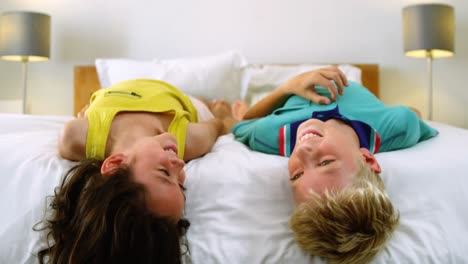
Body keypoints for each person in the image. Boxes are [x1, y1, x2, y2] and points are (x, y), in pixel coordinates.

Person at [231, 67, 438, 264]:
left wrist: (288, 87)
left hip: (292, 93)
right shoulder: (399, 128)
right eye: (325, 162)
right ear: (367, 159)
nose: (301, 151)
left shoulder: (269, 136)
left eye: (296, 175)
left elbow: (243, 124)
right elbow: (412, 116)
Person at [36, 79, 236, 264]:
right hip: (179, 99)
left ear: (114, 164)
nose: (181, 166)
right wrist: (221, 116)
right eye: (180, 184)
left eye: (165, 173)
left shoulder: (74, 138)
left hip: (121, 88)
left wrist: (84, 116)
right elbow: (217, 125)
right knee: (203, 106)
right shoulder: (189, 140)